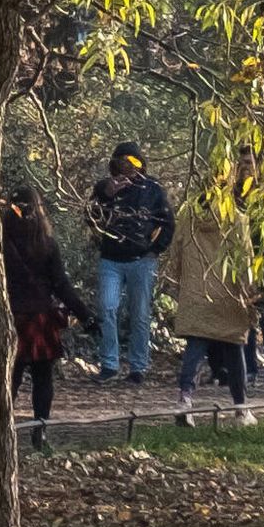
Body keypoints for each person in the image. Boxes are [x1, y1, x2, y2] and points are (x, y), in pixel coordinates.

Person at [87, 140, 178, 384]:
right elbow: (90, 217)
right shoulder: (104, 188)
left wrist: (154, 250)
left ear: (141, 164)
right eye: (122, 161)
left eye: (133, 162)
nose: (128, 166)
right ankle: (109, 364)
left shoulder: (153, 189)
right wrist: (107, 196)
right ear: (114, 164)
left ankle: (138, 367)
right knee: (107, 308)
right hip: (110, 260)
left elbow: (168, 223)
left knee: (139, 314)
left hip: (141, 260)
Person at [0, 188, 83, 434]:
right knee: (43, 378)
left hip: (11, 316)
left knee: (9, 378)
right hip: (41, 318)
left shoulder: (0, 243)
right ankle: (40, 431)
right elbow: (61, 285)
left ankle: (1, 430)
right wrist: (85, 314)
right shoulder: (46, 244)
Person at [164, 219, 260, 418]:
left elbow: (175, 252)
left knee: (196, 345)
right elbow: (245, 260)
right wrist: (250, 295)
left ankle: (185, 399)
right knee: (234, 346)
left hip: (196, 292)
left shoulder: (189, 215)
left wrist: (177, 285)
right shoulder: (236, 219)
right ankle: (241, 408)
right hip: (228, 294)